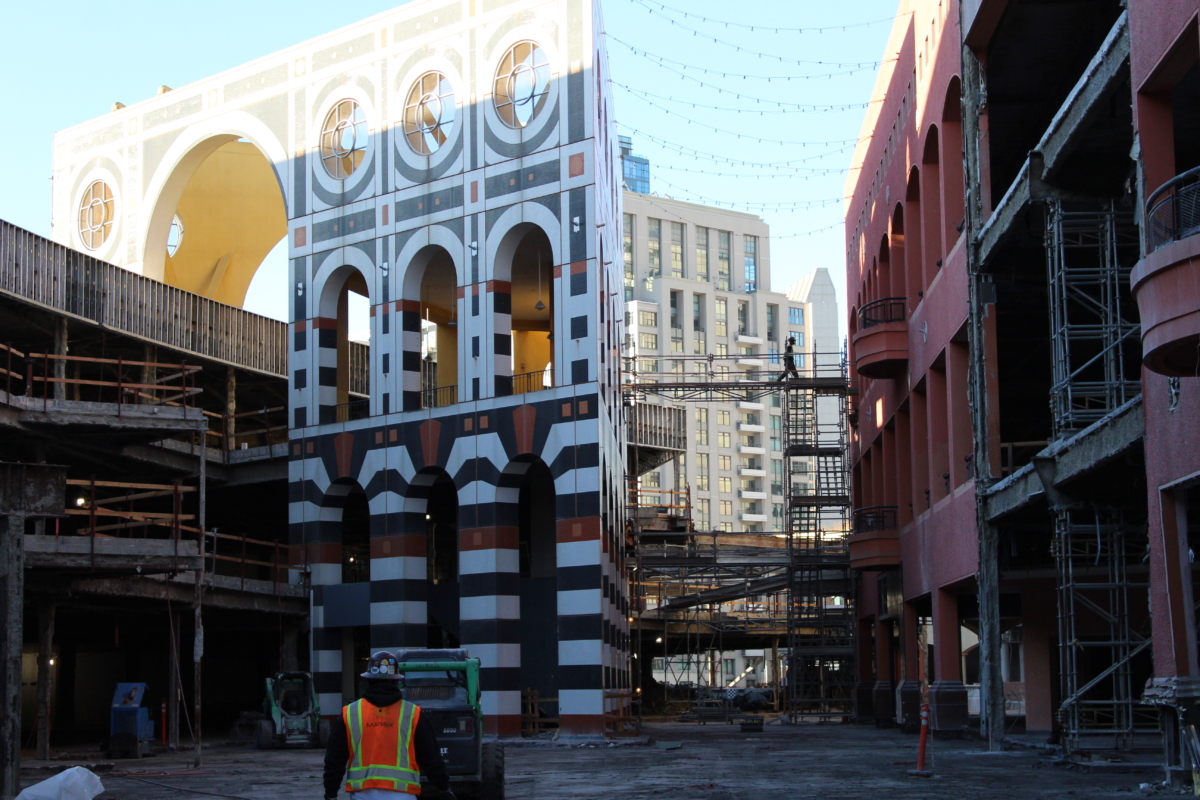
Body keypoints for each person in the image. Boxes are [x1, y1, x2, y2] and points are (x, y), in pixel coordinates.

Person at [324, 651, 455, 800]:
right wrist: (444, 788)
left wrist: (331, 793)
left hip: (362, 794)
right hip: (402, 794)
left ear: (368, 680)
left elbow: (334, 760)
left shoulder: (350, 713)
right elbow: (431, 758)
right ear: (395, 682)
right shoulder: (413, 714)